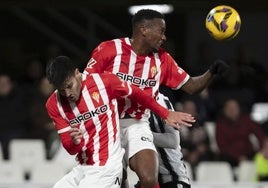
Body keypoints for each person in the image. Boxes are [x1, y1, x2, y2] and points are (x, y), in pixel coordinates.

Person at [84, 9, 229, 188]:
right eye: (161, 31)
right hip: (106, 125)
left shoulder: (162, 60)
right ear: (144, 30)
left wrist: (211, 72)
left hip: (137, 124)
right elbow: (85, 86)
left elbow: (191, 86)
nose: (164, 37)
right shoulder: (108, 49)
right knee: (119, 182)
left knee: (149, 178)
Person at [45, 56, 195, 188]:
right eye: (62, 90)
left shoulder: (105, 82)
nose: (68, 93)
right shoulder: (53, 104)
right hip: (82, 168)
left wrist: (165, 113)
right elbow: (70, 148)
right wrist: (74, 142)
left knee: (148, 176)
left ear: (77, 73)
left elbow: (136, 93)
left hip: (107, 168)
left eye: (69, 86)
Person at [215, 98, 266, 167]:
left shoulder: (246, 120)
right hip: (230, 156)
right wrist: (238, 157)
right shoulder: (220, 124)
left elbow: (260, 134)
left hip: (247, 154)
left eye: (234, 107)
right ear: (224, 110)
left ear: (239, 108)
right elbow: (222, 146)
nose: (232, 110)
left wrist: (264, 148)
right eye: (229, 108)